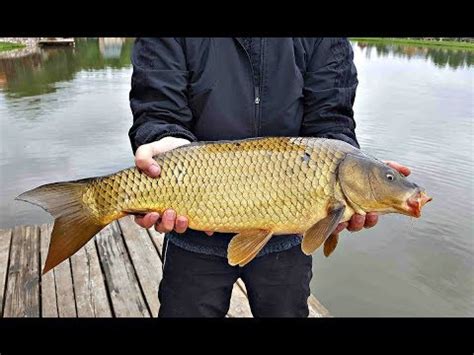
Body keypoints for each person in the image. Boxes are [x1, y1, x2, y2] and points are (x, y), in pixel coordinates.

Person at [128, 38, 410, 317]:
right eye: (388, 179)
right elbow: (159, 107)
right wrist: (161, 138)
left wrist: (346, 172)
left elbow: (330, 120)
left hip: (288, 234)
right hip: (192, 225)